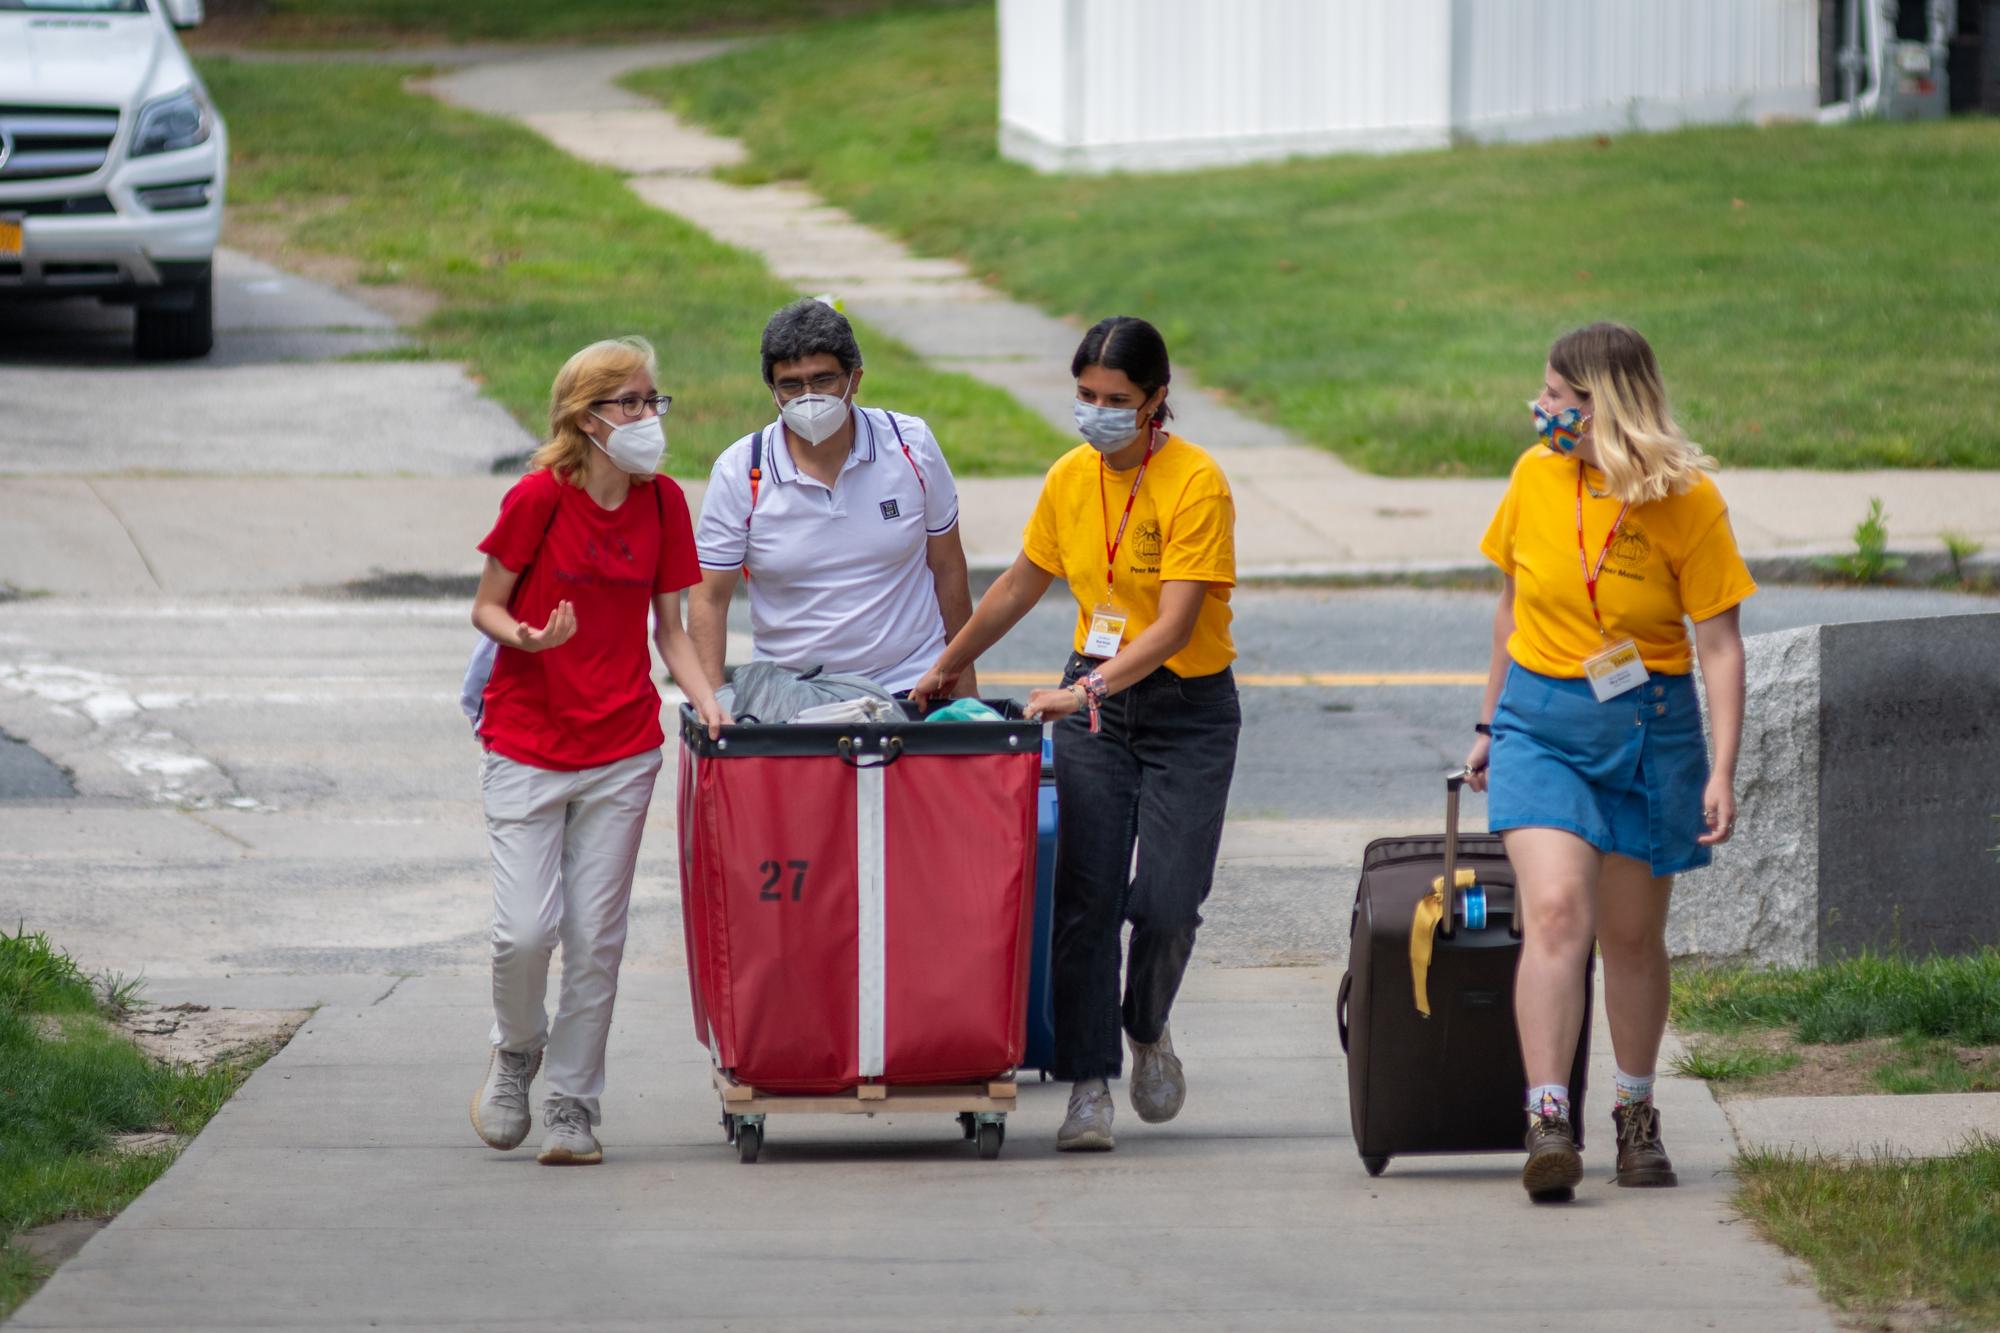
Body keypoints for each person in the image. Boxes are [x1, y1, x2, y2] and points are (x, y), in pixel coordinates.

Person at [911, 315, 1239, 1152]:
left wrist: (1081, 687)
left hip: (1186, 709)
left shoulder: (1196, 482)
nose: (1098, 412)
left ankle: (1146, 1023)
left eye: (1117, 399)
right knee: (1086, 898)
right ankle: (1088, 1084)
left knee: (1167, 901)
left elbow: (1170, 627)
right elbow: (1021, 583)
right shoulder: (1070, 476)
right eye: (1087, 396)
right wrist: (949, 662)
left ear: (1158, 399)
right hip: (1095, 709)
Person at [1465, 322, 1754, 1203]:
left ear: (1605, 407)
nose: (1540, 409)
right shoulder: (1532, 475)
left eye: (1557, 397)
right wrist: (1486, 723)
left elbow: (1722, 646)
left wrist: (1722, 768)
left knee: (1630, 937)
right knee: (1556, 911)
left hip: (1649, 730)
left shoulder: (1688, 502)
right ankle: (1548, 1117)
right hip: (1541, 724)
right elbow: (1510, 610)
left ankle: (1634, 1113)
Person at [467, 336, 728, 1166]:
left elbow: (672, 631)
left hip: (621, 746)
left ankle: (574, 1105)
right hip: (527, 739)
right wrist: (531, 639)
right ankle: (516, 1050)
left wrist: (709, 700)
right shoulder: (539, 496)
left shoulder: (662, 503)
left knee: (596, 934)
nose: (651, 417)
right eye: (634, 403)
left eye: (656, 400)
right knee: (523, 933)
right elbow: (486, 609)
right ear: (589, 417)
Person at [689, 299, 977, 697]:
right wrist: (710, 704)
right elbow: (709, 597)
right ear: (772, 391)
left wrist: (964, 688)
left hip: (912, 685)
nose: (808, 397)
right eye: (791, 385)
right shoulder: (741, 471)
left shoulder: (911, 446)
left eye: (823, 380)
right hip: (793, 695)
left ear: (855, 379)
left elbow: (948, 568)